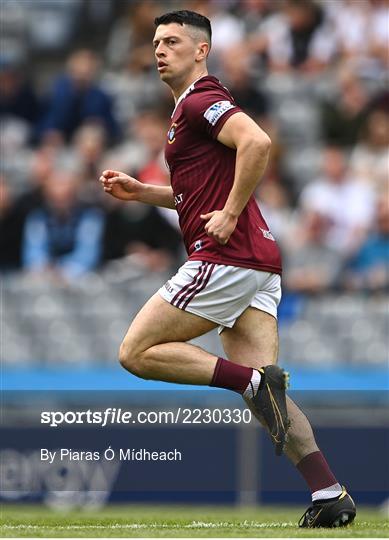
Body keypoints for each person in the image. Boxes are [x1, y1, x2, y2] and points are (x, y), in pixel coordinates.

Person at [100, 10, 356, 528]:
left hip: (226, 257)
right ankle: (330, 493)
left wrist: (233, 211)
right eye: (155, 42)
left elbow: (257, 142)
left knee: (136, 351)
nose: (159, 50)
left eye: (172, 41)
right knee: (269, 400)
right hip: (259, 263)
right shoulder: (186, 110)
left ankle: (249, 381)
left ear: (201, 50)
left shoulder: (201, 99)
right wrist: (145, 192)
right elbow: (200, 192)